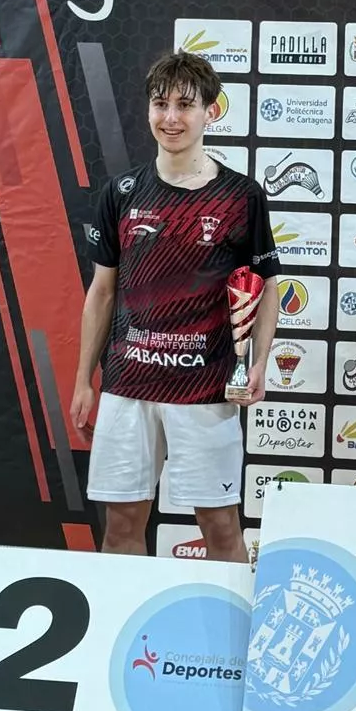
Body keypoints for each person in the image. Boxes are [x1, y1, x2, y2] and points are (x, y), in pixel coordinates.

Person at [71, 50, 279, 563]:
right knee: (121, 525)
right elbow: (102, 291)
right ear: (147, 110)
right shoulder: (120, 192)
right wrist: (83, 380)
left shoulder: (241, 196)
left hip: (205, 386)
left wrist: (260, 362)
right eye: (160, 104)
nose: (171, 118)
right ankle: (120, 643)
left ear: (211, 111)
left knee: (220, 527)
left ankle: (226, 645)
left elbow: (268, 286)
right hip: (128, 385)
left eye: (185, 105)